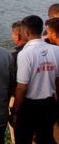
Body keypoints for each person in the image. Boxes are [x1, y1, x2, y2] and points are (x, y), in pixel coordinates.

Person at [11, 15, 59, 144]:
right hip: (49, 104)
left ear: (26, 32)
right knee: (45, 138)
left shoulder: (25, 54)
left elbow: (22, 87)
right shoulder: (56, 50)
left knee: (23, 139)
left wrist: (15, 110)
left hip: (29, 106)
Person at [8, 21, 28, 143]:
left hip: (19, 100)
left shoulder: (14, 56)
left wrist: (14, 111)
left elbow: (14, 84)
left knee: (18, 136)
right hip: (44, 102)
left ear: (18, 36)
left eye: (12, 33)